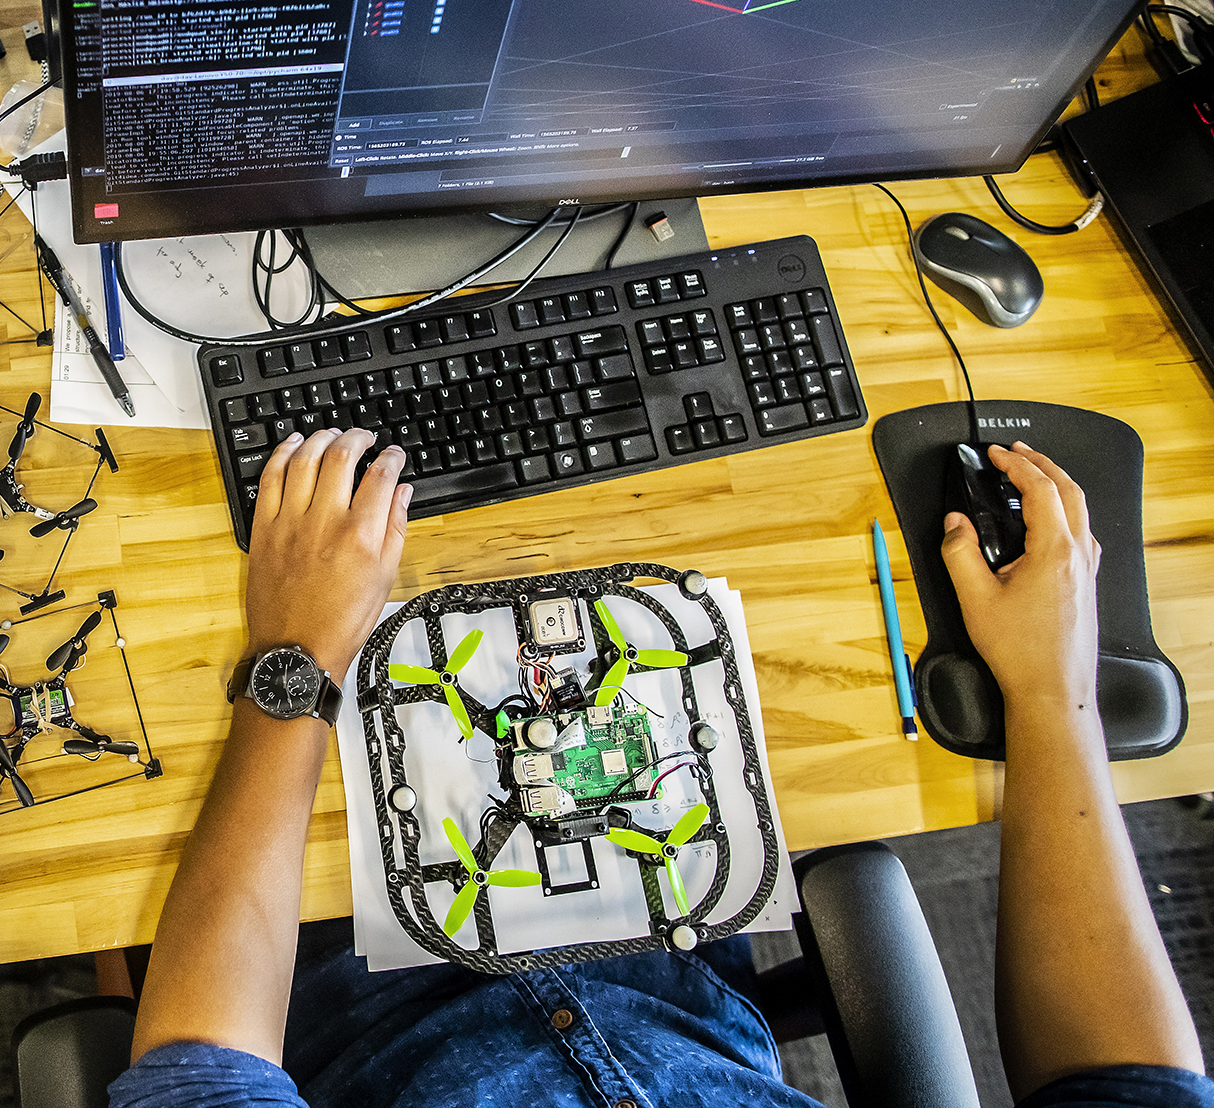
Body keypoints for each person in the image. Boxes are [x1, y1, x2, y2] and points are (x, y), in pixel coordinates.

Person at [109, 430, 1209, 1107]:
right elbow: (1131, 1085)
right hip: (664, 937)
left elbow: (199, 1063)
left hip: (332, 991)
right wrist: (1049, 694)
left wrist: (294, 660)